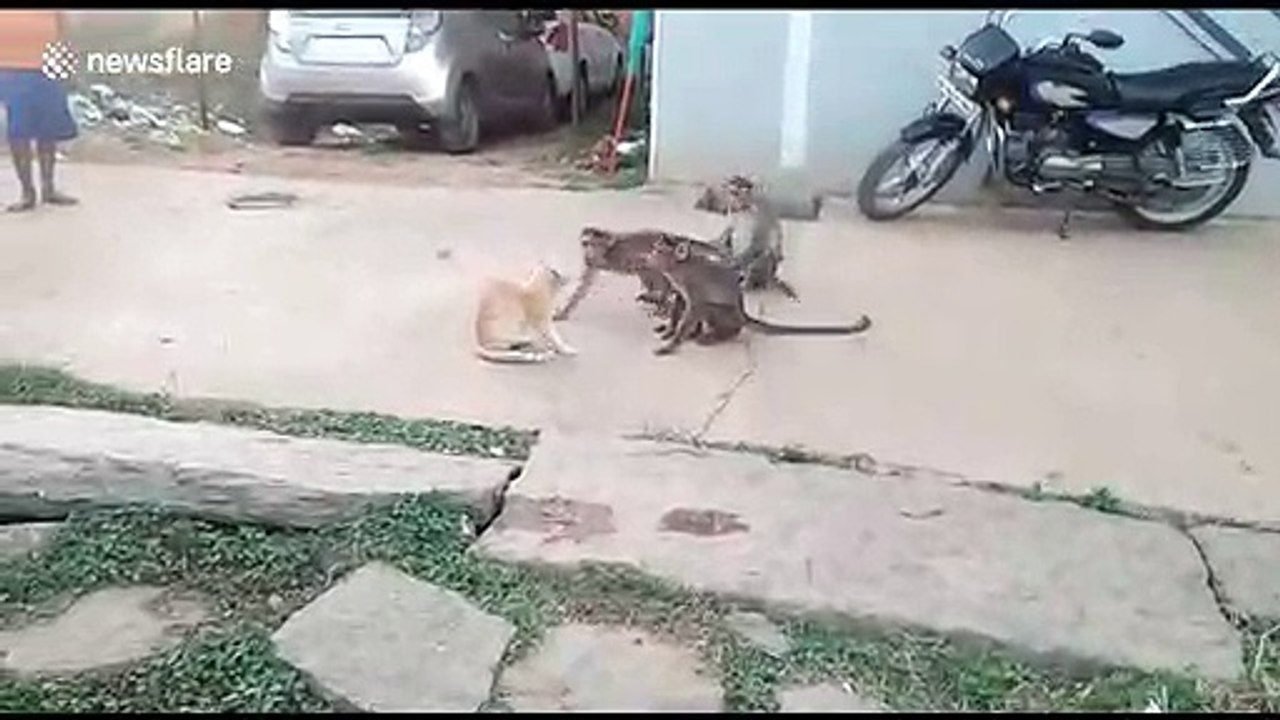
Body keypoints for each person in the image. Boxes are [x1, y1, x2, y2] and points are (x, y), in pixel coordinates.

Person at [0, 9, 79, 213]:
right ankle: (27, 192)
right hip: (10, 67)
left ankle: (48, 188)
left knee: (48, 129)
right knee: (18, 131)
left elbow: (64, 30)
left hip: (48, 66)